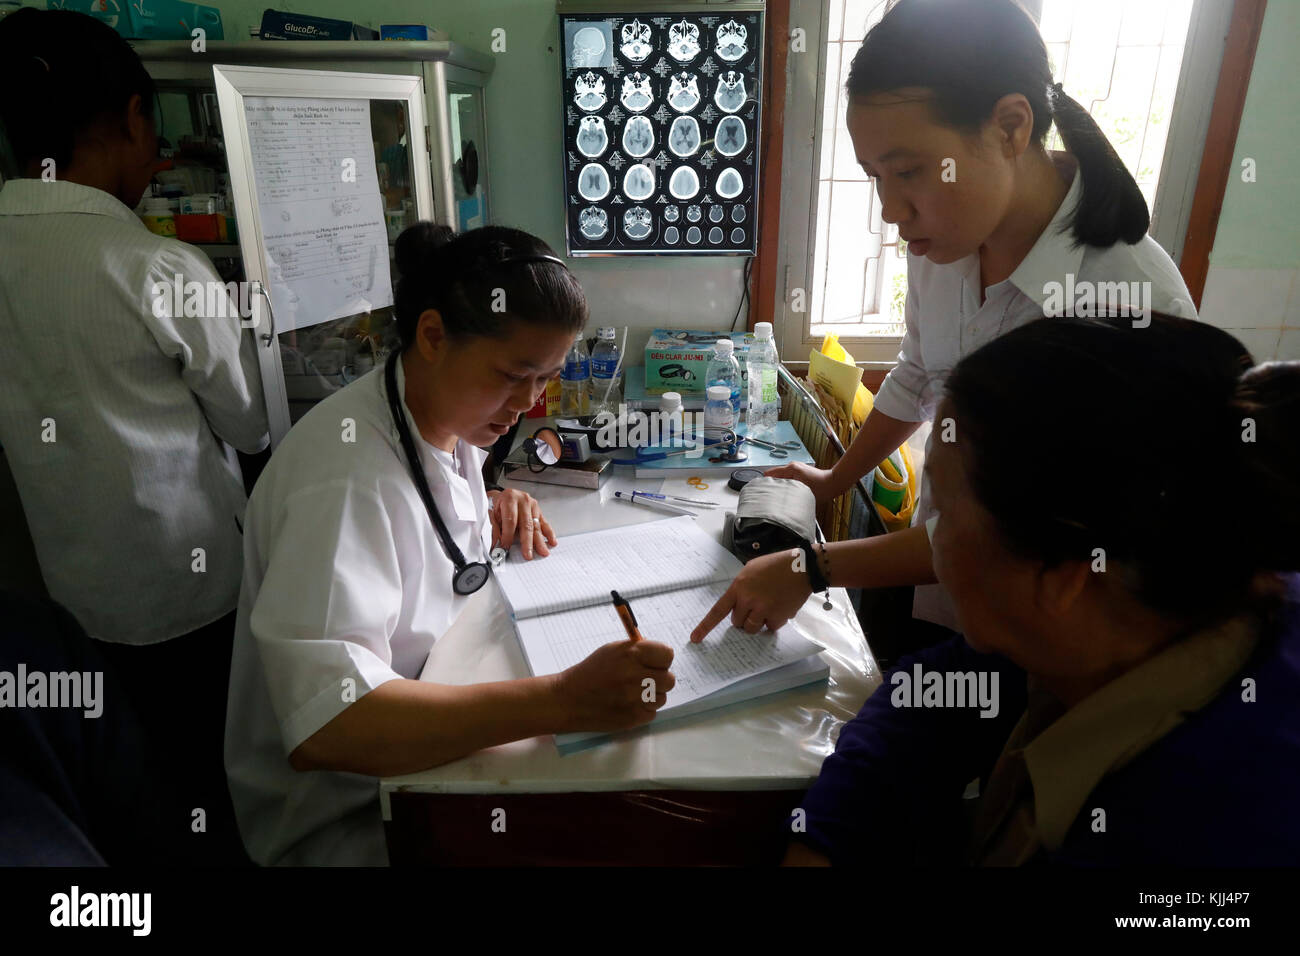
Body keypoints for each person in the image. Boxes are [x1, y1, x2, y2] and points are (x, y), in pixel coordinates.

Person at [698, 313, 1300, 865]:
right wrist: (823, 835)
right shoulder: (1121, 619)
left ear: (1060, 577)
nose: (929, 540)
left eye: (946, 515)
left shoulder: (1216, 839)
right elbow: (929, 699)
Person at [226, 224, 677, 866]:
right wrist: (561, 702)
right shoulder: (341, 480)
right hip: (357, 818)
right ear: (433, 336)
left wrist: (488, 507)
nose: (528, 403)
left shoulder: (445, 417)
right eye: (514, 374)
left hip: (439, 742)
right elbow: (331, 724)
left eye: (546, 377)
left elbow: (427, 531)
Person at [767, 0, 1196, 650]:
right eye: (874, 177)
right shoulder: (947, 242)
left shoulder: (1123, 301)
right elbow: (918, 373)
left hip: (1053, 652)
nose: (890, 210)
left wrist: (814, 568)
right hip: (950, 599)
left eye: (909, 171)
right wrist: (835, 478)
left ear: (1011, 126)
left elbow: (1024, 533)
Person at [0, 9, 269, 863]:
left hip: (73, 589)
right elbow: (248, 420)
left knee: (128, 786)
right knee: (214, 776)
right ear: (131, 118)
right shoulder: (152, 265)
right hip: (191, 591)